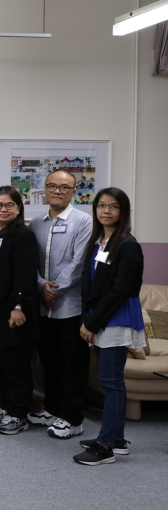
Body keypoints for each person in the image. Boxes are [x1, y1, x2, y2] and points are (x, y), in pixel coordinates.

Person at [74, 188, 145, 466]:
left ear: (122, 211)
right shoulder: (99, 241)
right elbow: (89, 284)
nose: (106, 211)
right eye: (101, 205)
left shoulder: (127, 244)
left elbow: (120, 290)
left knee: (111, 382)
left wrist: (92, 323)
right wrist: (86, 318)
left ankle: (105, 447)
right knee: (110, 381)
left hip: (116, 318)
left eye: (113, 206)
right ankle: (116, 439)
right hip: (99, 317)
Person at [28, 170, 93, 439]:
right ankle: (53, 410)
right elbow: (30, 261)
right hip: (43, 307)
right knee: (50, 362)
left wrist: (55, 288)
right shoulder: (36, 223)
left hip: (70, 306)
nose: (57, 191)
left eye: (64, 187)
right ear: (44, 189)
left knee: (72, 364)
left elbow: (79, 262)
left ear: (74, 191)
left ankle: (73, 418)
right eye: (52, 186)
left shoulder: (83, 221)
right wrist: (41, 284)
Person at [0, 186, 41, 435]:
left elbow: (25, 276)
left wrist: (18, 306)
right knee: (0, 363)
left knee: (16, 365)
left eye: (9, 205)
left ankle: (19, 414)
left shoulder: (23, 236)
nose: (3, 209)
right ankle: (7, 406)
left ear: (18, 209)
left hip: (13, 312)